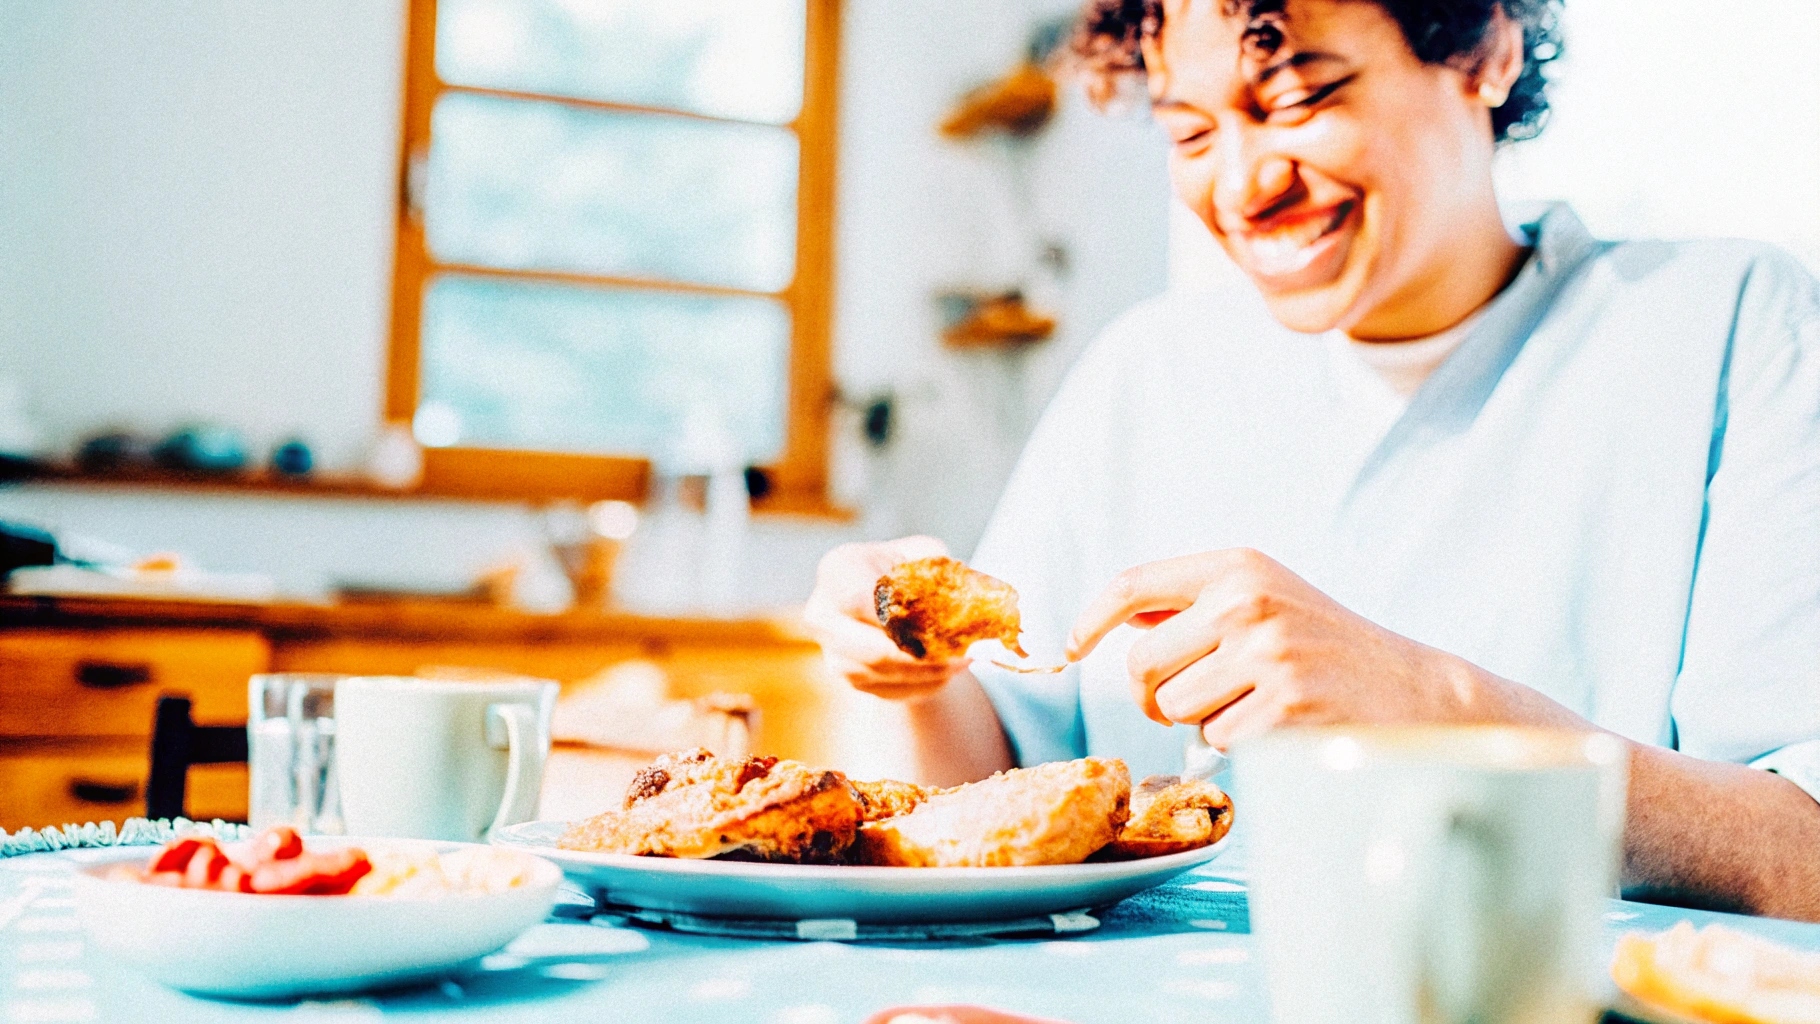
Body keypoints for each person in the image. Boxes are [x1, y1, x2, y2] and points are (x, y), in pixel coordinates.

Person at [806, 0, 1820, 920]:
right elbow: (982, 786)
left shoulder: (1728, 325)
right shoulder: (1143, 372)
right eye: (1189, 132)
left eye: (1299, 98)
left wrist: (1435, 707)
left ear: (1485, 54)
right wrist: (910, 679)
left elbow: (1802, 853)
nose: (1244, 184)